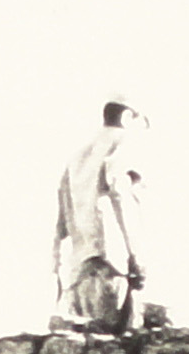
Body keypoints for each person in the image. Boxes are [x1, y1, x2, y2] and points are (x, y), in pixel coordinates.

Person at [53, 99, 145, 333]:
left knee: (89, 346)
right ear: (126, 117)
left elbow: (60, 220)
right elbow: (121, 198)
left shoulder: (76, 157)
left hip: (80, 266)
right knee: (123, 345)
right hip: (114, 265)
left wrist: (57, 268)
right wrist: (136, 256)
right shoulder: (121, 145)